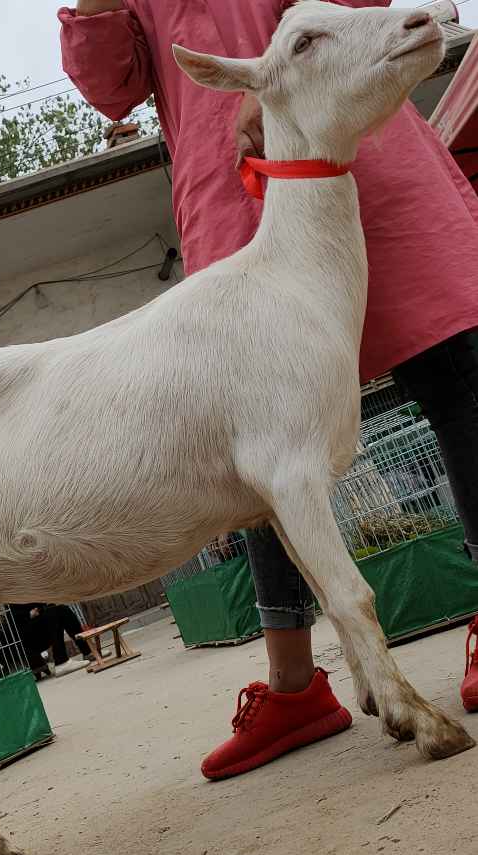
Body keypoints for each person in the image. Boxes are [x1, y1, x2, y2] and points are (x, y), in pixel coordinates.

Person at [58, 0, 478, 778]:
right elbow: (109, 86)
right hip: (236, 190)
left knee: (459, 370)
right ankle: (294, 683)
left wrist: (279, 69)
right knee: (256, 442)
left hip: (357, 147)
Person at [8, 603, 92, 678]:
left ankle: (88, 652)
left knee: (60, 609)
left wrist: (39, 609)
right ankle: (62, 661)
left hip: (32, 629)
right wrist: (29, 614)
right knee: (56, 611)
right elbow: (11, 619)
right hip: (20, 641)